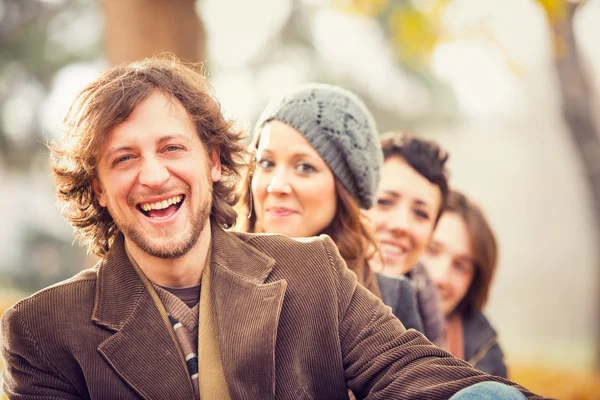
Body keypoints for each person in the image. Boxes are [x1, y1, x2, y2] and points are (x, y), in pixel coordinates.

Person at [0, 56, 543, 399]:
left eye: (171, 148)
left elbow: (409, 371)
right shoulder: (44, 330)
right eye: (123, 158)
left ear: (214, 162)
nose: (153, 175)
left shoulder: (312, 270)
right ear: (96, 187)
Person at [236, 83, 423, 333]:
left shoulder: (391, 298)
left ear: (344, 190)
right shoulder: (211, 282)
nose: (276, 186)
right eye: (266, 163)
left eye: (304, 167)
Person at [365, 132, 448, 347]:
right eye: (384, 202)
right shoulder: (312, 291)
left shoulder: (431, 317)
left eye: (421, 214)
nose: (401, 225)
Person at [421, 190, 508, 377]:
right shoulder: (354, 314)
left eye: (460, 266)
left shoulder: (485, 352)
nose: (440, 277)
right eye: (432, 250)